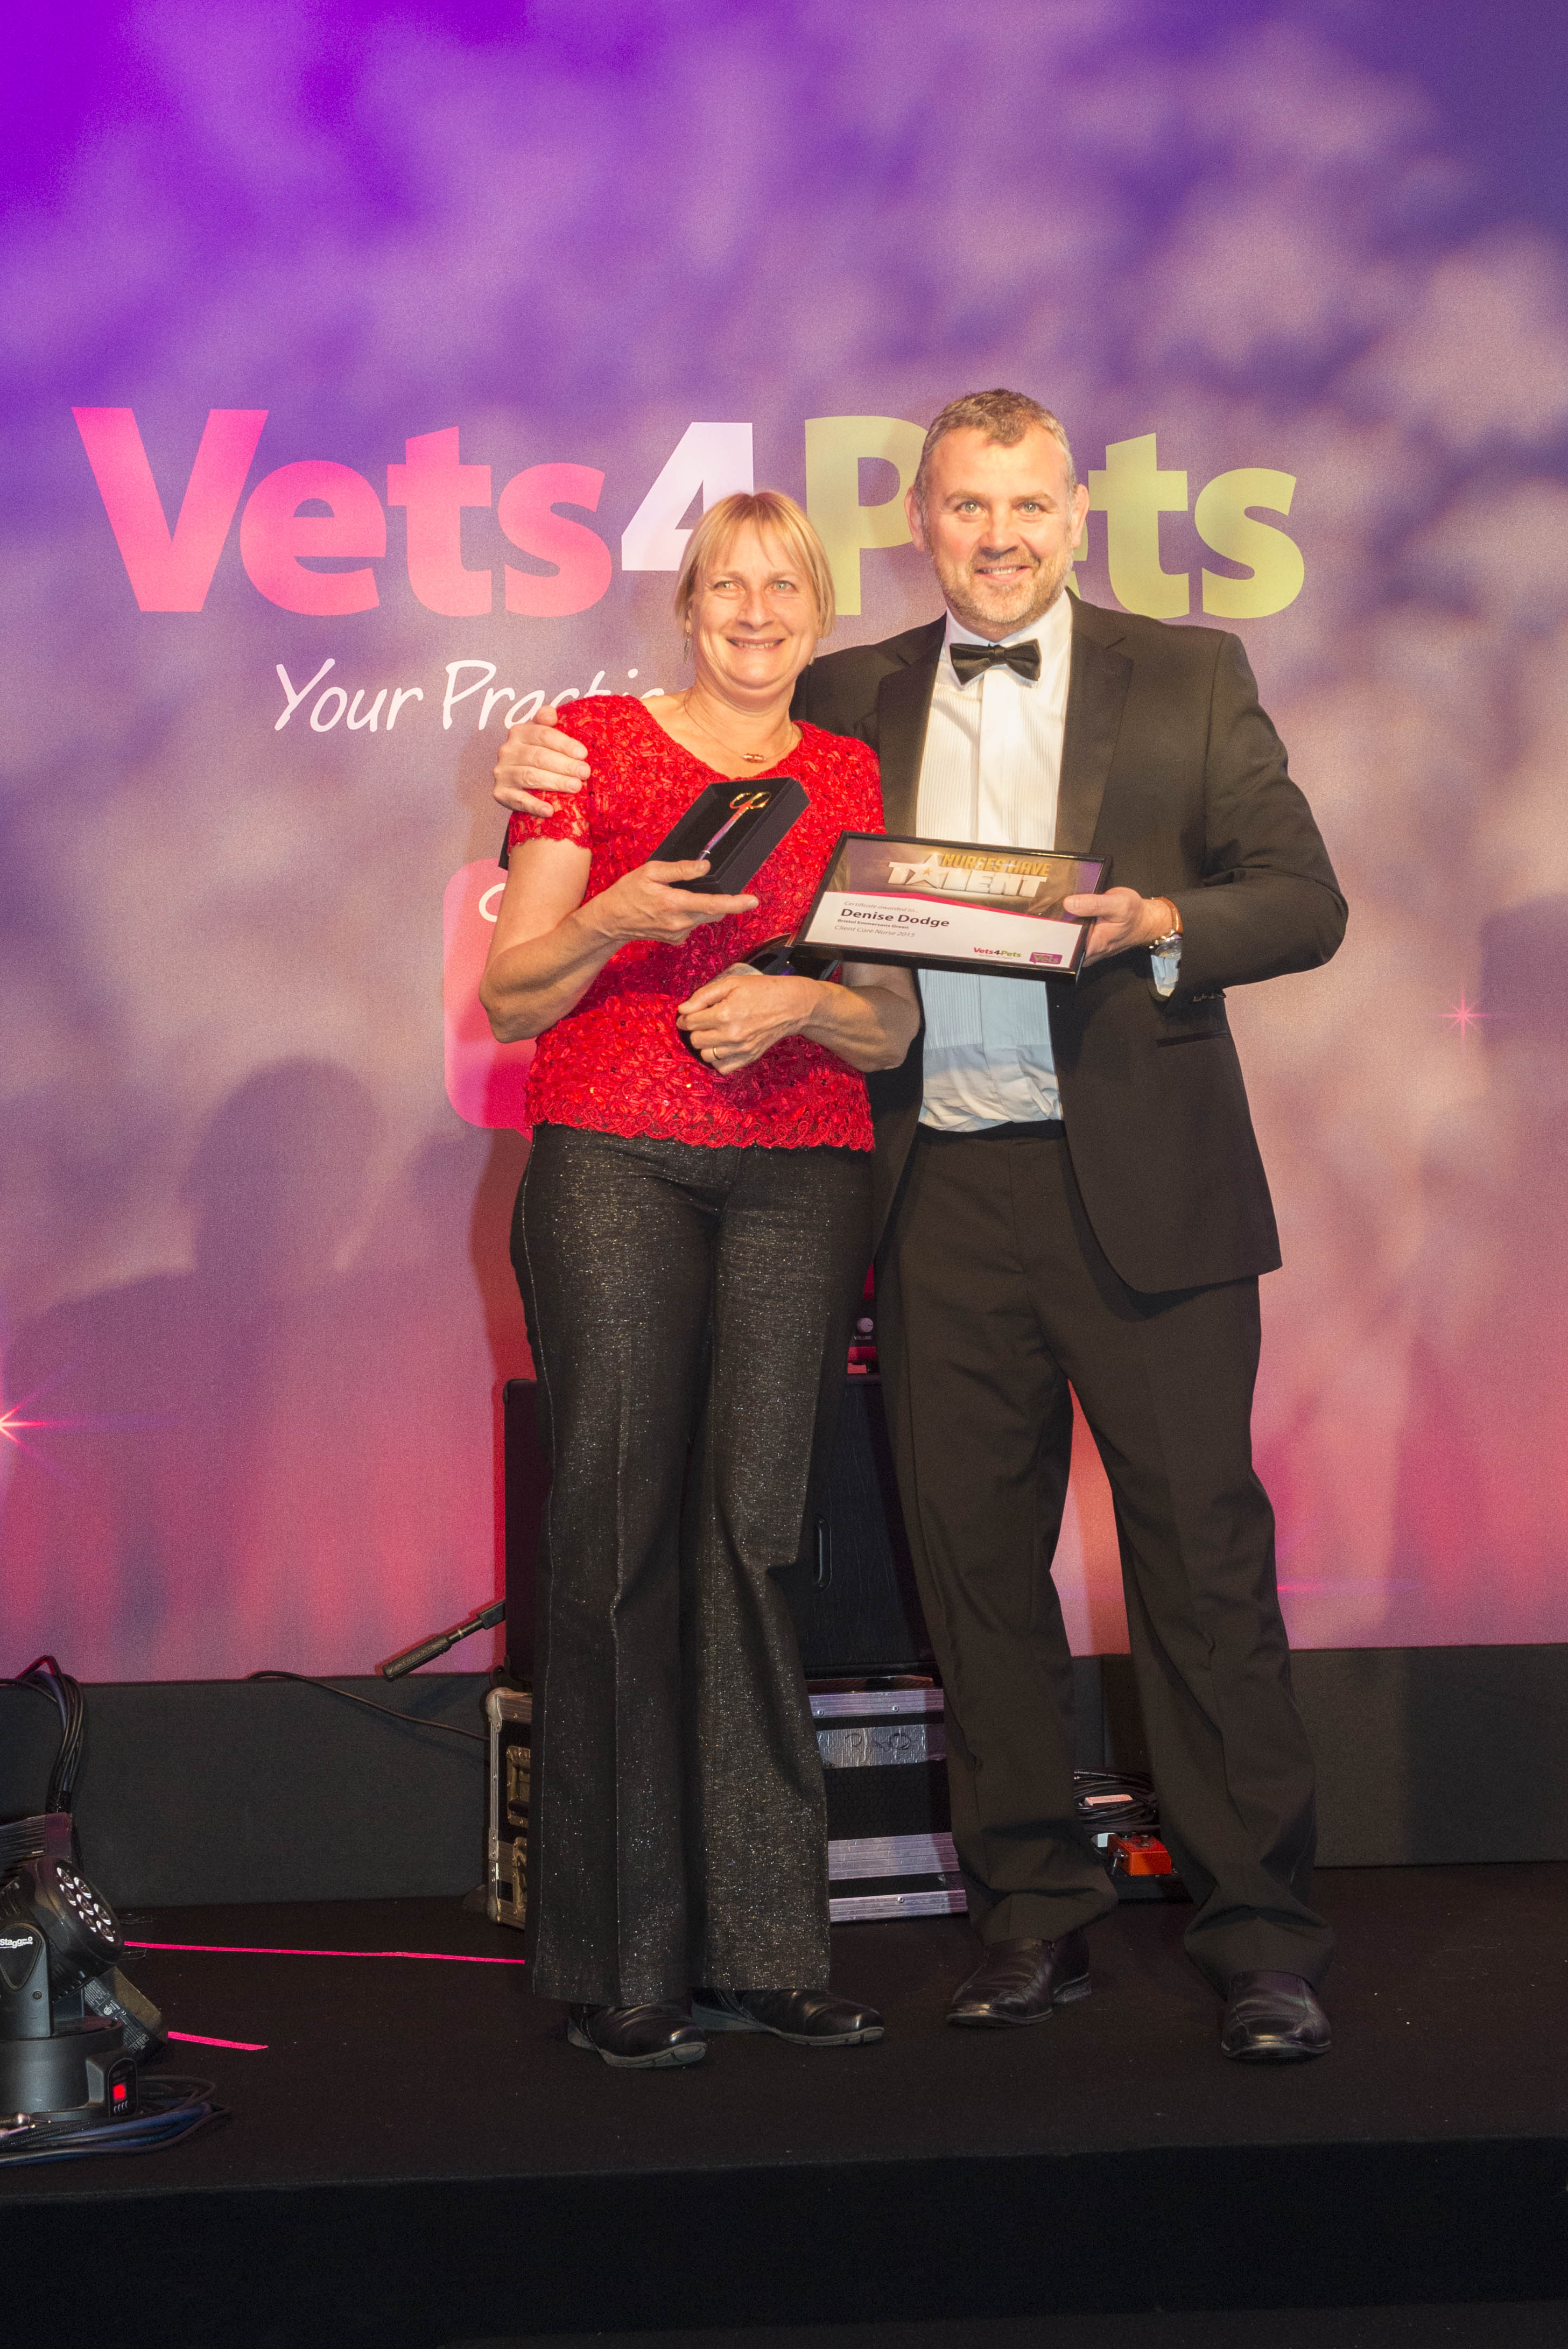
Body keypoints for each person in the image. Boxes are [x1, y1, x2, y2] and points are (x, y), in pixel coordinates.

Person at [493, 392, 1347, 2065]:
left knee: (1200, 1565)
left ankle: (1259, 1938)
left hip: (1147, 1194)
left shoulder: (1190, 674)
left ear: (1077, 512)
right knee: (974, 1573)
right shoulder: (843, 697)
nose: (999, 535)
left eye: (1027, 504)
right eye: (967, 506)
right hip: (936, 1188)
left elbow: (1302, 899)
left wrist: (1158, 920)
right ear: (924, 522)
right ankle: (1032, 1917)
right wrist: (543, 759)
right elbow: (706, 757)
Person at [480, 489, 919, 2069]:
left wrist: (801, 1008)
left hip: (803, 1174)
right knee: (617, 1537)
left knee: (753, 1540)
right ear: (687, 606)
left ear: (817, 613)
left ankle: (767, 1946)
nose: (753, 613)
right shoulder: (589, 745)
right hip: (615, 1159)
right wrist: (614, 914)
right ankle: (623, 1960)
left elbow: (889, 1022)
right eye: (727, 585)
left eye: (782, 588)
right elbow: (512, 995)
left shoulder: (848, 772)